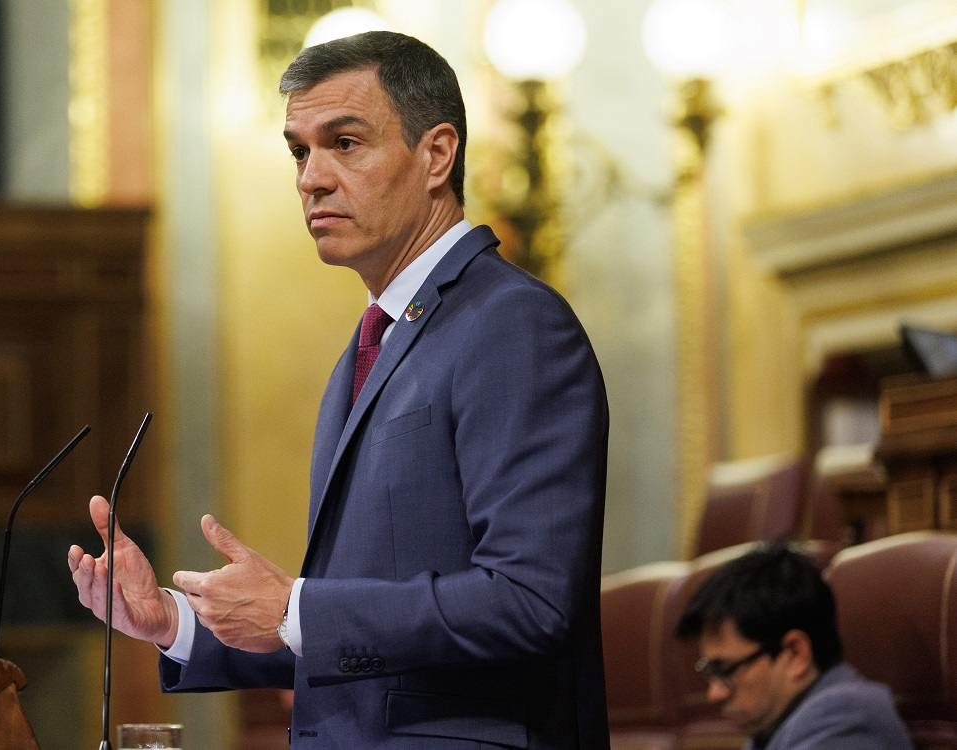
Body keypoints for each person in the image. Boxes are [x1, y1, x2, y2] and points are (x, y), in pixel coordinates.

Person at [69, 30, 610, 748]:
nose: (311, 178)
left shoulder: (511, 324)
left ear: (436, 155)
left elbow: (530, 602)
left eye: (345, 143)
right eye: (300, 150)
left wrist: (297, 608)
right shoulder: (375, 345)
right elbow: (362, 639)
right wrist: (177, 623)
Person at [676, 542, 912, 750]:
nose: (714, 693)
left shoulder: (846, 719)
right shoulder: (775, 728)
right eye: (710, 672)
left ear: (795, 653)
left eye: (726, 669)